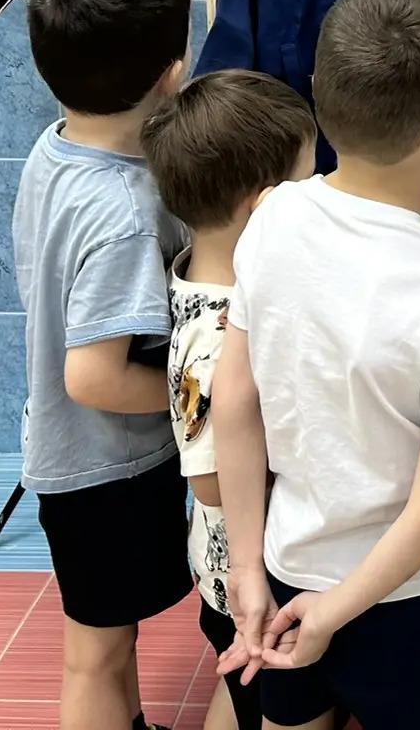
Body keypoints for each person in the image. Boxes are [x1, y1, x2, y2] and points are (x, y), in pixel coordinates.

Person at [211, 0, 420, 730]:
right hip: (413, 598)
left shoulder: (273, 215)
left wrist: (246, 567)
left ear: (321, 97)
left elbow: (232, 402)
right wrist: (338, 611)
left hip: (287, 563)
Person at [13, 0, 194, 730]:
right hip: (103, 463)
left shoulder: (55, 146)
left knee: (110, 641)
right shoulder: (123, 213)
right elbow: (94, 377)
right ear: (173, 73)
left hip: (79, 453)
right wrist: (202, 397)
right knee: (95, 653)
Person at [141, 70, 318, 730]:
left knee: (240, 689)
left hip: (230, 565)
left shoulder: (203, 268)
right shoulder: (220, 330)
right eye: (308, 185)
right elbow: (212, 480)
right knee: (262, 699)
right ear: (263, 207)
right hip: (245, 576)